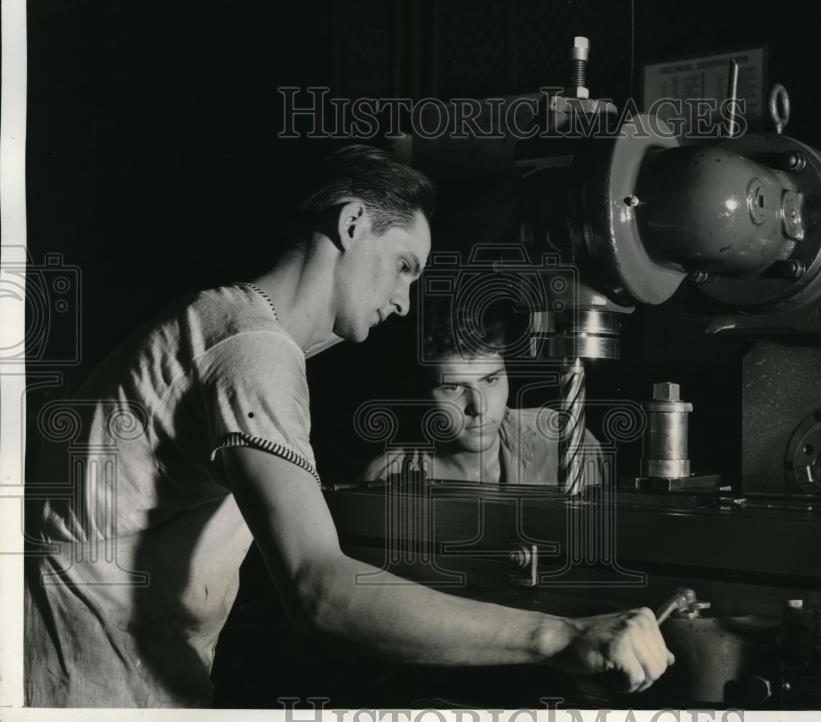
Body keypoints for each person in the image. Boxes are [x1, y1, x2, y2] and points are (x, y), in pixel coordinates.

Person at [24, 145, 672, 708]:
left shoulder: (223, 326)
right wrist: (562, 637)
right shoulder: (250, 351)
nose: (404, 299)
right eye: (404, 266)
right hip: (84, 687)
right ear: (353, 223)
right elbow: (320, 593)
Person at [360, 305, 605, 485]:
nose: (479, 407)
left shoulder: (567, 441)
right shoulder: (388, 477)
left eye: (490, 380)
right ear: (424, 393)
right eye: (453, 388)